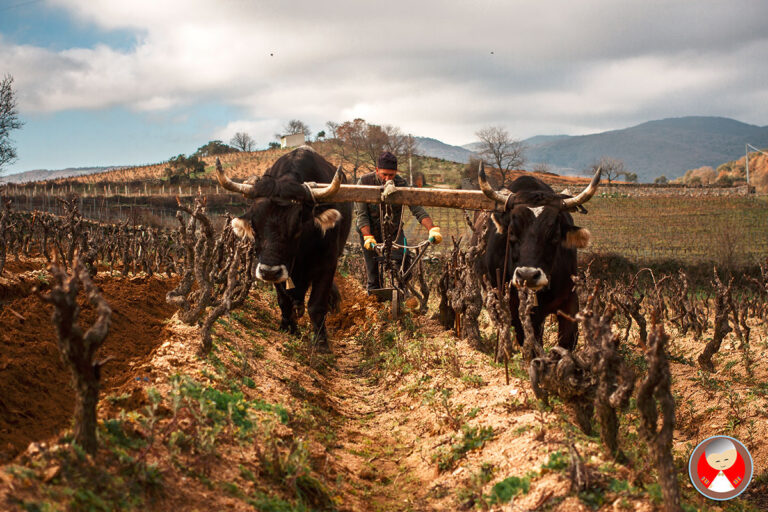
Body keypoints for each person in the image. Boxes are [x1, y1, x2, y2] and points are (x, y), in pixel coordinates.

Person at [354, 151, 442, 293]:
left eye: (391, 175)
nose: (387, 178)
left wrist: (432, 228)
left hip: (393, 231)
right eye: (384, 174)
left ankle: (401, 294)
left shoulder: (401, 183)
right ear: (377, 170)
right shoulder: (364, 182)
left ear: (396, 172)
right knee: (373, 273)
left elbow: (416, 208)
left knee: (403, 261)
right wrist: (367, 236)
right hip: (369, 232)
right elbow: (361, 214)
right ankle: (375, 301)